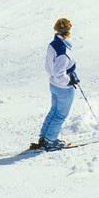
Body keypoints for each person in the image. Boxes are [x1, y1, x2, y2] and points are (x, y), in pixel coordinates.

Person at [32, 18, 79, 152]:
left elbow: (49, 66)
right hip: (63, 88)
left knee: (54, 111)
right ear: (68, 31)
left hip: (53, 84)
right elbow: (60, 73)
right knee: (60, 114)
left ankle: (44, 137)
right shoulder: (63, 51)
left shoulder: (53, 44)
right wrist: (69, 81)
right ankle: (51, 140)